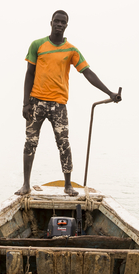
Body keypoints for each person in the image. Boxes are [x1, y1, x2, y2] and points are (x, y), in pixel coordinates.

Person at [15, 10, 121, 196]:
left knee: (63, 143)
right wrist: (25, 103)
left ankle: (67, 185)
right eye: (56, 21)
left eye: (63, 22)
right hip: (36, 102)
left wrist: (109, 93)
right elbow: (29, 74)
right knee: (30, 143)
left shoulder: (71, 50)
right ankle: (25, 185)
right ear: (51, 22)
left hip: (58, 105)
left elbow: (88, 72)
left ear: (66, 25)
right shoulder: (37, 45)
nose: (59, 24)